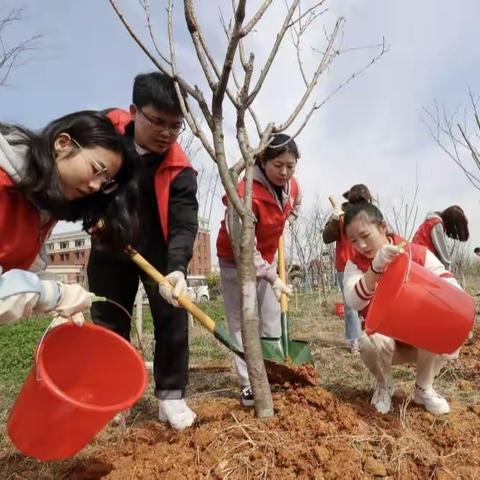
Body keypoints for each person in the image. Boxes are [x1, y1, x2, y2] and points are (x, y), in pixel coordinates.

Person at [87, 72, 198, 430]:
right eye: (157, 122)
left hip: (158, 248)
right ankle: (115, 396)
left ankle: (171, 396)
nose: (166, 133)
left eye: (175, 126)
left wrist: (177, 267)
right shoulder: (103, 135)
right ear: (135, 111)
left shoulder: (180, 168)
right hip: (110, 242)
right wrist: (92, 216)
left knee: (172, 316)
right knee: (109, 318)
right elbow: (78, 179)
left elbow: (184, 223)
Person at [0, 111, 134, 325]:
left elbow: (24, 270)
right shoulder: (3, 183)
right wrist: (53, 294)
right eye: (96, 169)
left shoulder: (43, 208)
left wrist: (48, 287)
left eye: (105, 181)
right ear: (62, 143)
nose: (96, 186)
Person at [343, 201, 462, 415]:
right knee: (367, 341)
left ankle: (423, 387)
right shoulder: (354, 265)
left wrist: (461, 314)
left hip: (419, 340)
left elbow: (448, 282)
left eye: (365, 235)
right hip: (385, 343)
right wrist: (374, 269)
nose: (361, 245)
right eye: (354, 241)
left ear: (382, 227)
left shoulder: (416, 253)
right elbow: (354, 300)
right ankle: (384, 384)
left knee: (448, 330)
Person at [216, 133, 300, 407]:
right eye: (278, 165)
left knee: (271, 315)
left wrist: (291, 215)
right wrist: (273, 276)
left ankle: (273, 371)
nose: (285, 172)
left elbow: (296, 200)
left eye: (291, 165)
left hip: (266, 256)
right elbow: (243, 249)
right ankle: (248, 382)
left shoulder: (292, 186)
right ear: (262, 161)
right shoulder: (244, 194)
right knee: (242, 321)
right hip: (236, 261)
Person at [323, 184, 372, 354]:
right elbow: (326, 238)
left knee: (368, 301)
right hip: (345, 265)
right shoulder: (341, 216)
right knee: (351, 305)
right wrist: (334, 220)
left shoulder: (369, 216)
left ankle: (369, 336)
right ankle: (354, 341)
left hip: (367, 265)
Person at [412, 206, 469, 270]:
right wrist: (448, 274)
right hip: (422, 260)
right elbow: (445, 258)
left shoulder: (430, 221)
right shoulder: (436, 225)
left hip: (415, 259)